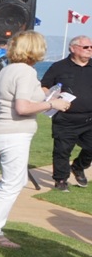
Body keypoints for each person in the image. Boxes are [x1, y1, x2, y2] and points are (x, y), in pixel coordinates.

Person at [0, 32, 69, 249]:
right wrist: (52, 105)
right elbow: (22, 108)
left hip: (4, 130)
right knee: (11, 184)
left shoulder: (8, 69)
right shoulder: (25, 72)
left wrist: (46, 97)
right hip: (14, 131)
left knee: (16, 180)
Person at [40, 34, 92, 191]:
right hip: (65, 118)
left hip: (89, 118)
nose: (89, 50)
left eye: (91, 47)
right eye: (86, 47)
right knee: (62, 150)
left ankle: (78, 166)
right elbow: (45, 86)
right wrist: (52, 97)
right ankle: (61, 179)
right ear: (73, 48)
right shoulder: (58, 67)